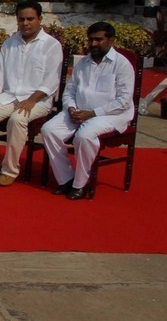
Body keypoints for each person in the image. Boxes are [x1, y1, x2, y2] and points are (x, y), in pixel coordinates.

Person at [41, 22, 135, 200]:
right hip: (78, 112)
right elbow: (70, 90)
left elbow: (123, 101)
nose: (93, 44)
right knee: (49, 130)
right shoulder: (83, 63)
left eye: (99, 39)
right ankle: (66, 179)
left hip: (110, 115)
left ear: (111, 40)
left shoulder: (122, 65)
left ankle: (80, 184)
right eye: (91, 39)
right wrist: (70, 108)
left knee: (84, 136)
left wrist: (92, 114)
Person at [0, 0, 63, 186]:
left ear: (40, 19)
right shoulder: (9, 43)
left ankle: (9, 170)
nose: (25, 23)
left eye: (30, 19)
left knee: (17, 119)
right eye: (21, 19)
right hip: (9, 96)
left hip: (39, 100)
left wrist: (32, 100)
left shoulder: (51, 45)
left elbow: (51, 81)